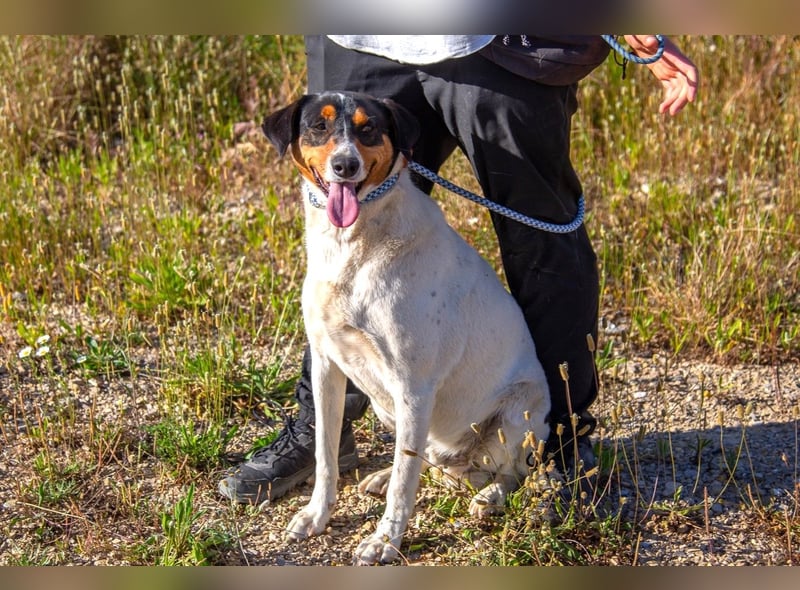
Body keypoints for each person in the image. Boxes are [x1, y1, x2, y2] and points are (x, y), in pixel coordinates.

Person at [218, 35, 698, 504]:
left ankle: (558, 442)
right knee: (342, 257)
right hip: (363, 34)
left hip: (508, 44)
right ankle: (321, 429)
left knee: (542, 241)